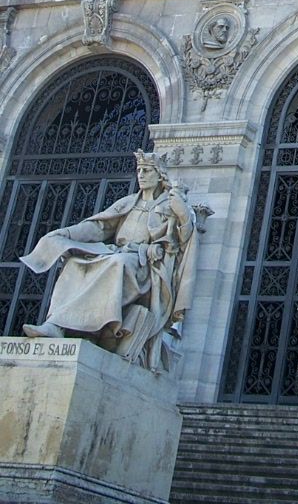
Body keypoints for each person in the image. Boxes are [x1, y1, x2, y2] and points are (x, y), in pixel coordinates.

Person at [20, 150, 200, 371]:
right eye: (139, 170)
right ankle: (56, 325)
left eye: (147, 171)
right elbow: (98, 227)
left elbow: (184, 240)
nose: (141, 175)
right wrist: (66, 234)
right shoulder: (128, 202)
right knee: (75, 264)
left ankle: (96, 327)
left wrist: (183, 216)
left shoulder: (169, 206)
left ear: (159, 175)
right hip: (117, 253)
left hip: (143, 265)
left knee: (118, 264)